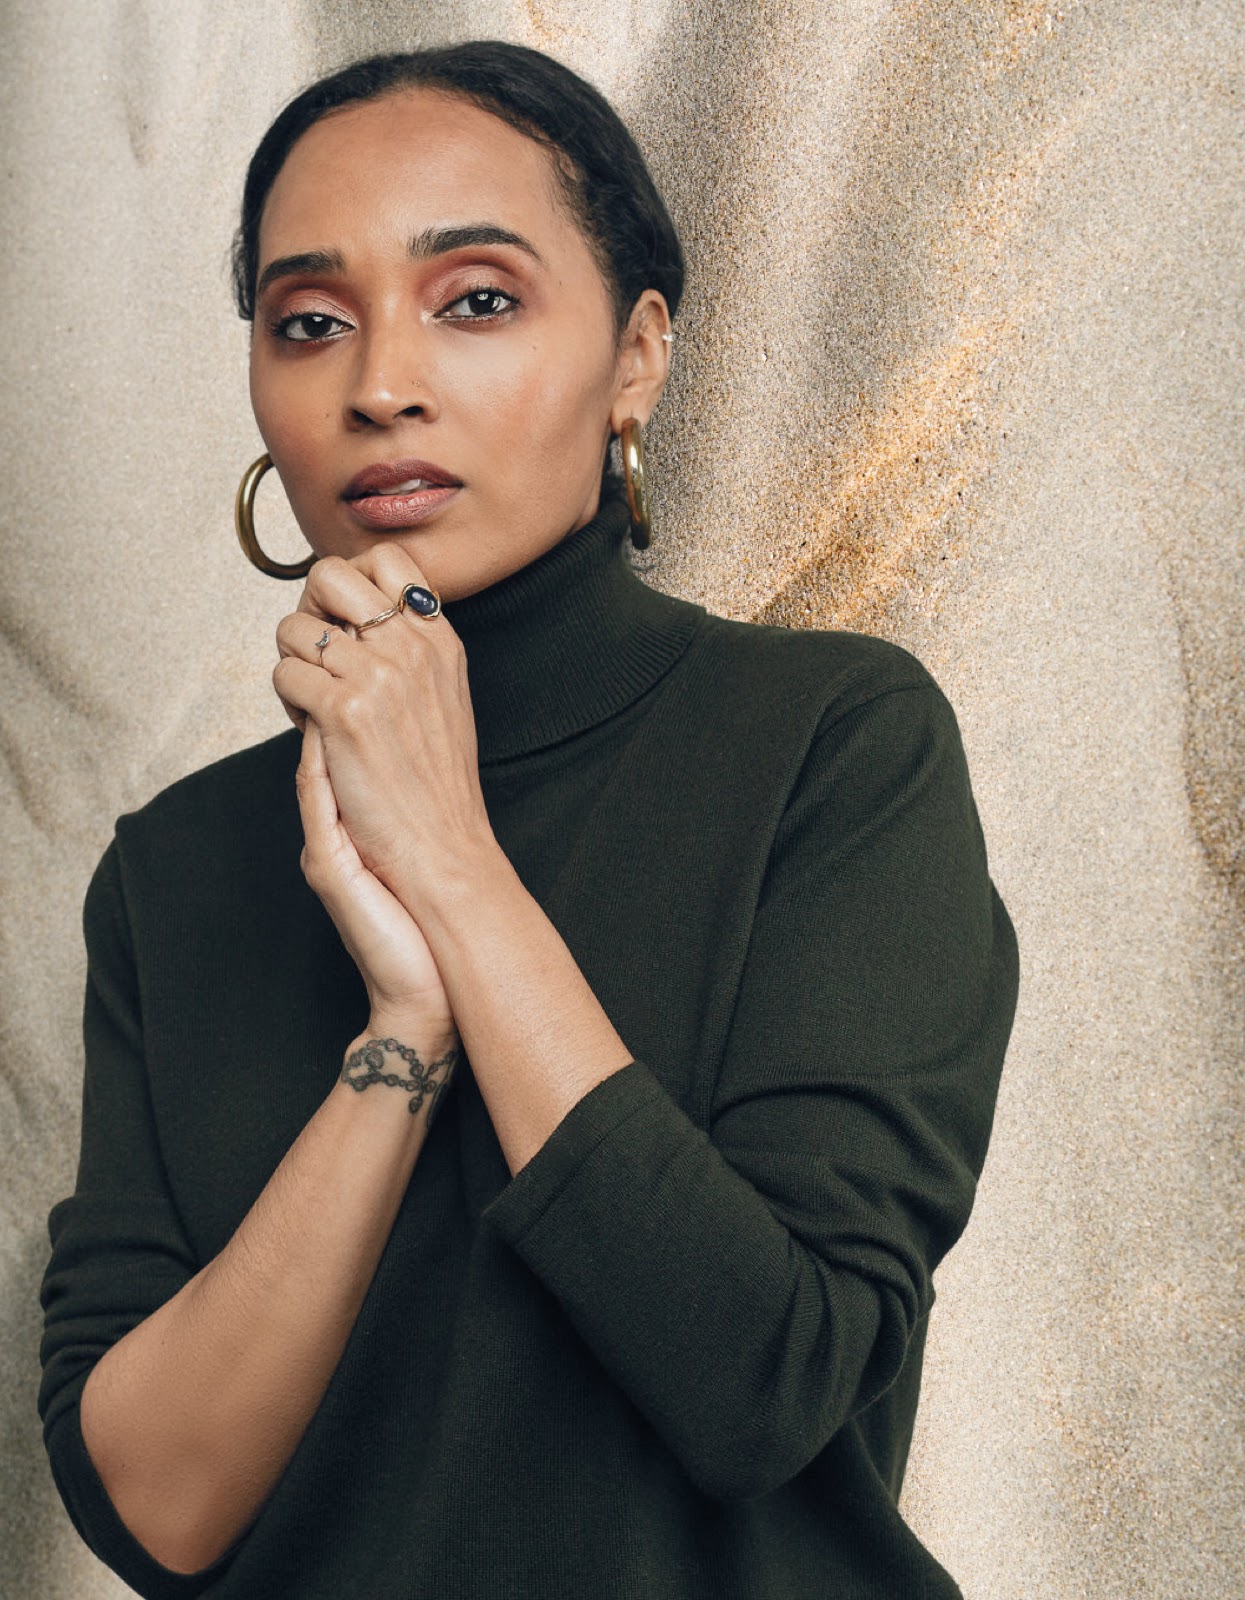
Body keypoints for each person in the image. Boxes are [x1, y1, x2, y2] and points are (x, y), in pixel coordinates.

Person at [37, 40, 1019, 1600]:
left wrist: (450, 863)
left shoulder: (831, 744)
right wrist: (405, 1032)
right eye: (310, 322)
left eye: (476, 299)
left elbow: (762, 1381)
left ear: (636, 357)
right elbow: (158, 1510)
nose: (379, 385)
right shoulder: (180, 868)